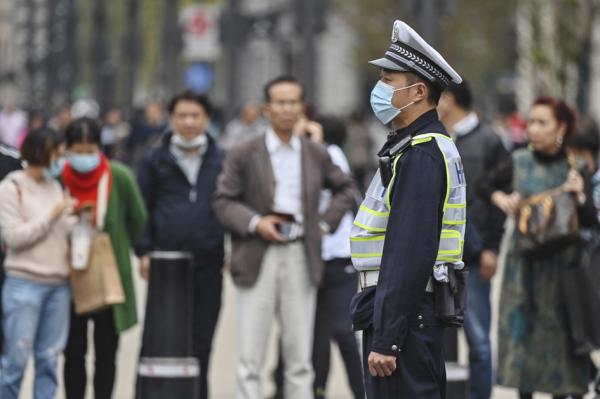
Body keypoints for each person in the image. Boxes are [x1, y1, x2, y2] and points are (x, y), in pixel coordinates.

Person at [214, 76, 357, 399]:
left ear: (302, 108)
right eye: (280, 102)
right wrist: (255, 223)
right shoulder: (244, 152)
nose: (287, 109)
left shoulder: (315, 152)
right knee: (251, 354)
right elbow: (223, 200)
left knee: (299, 357)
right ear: (266, 109)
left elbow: (346, 188)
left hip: (300, 255)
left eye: (293, 102)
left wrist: (322, 225)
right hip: (257, 252)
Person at [349, 20, 466, 399]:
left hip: (407, 320)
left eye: (388, 79)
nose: (379, 88)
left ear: (418, 91)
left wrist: (388, 339)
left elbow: (409, 254)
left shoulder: (421, 154)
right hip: (407, 315)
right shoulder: (414, 147)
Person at [482, 97, 596, 399]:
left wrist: (579, 195)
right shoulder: (518, 161)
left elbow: (588, 220)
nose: (532, 128)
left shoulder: (577, 166)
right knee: (526, 351)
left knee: (561, 348)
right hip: (525, 270)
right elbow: (484, 185)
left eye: (541, 122)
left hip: (563, 272)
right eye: (530, 121)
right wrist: (499, 198)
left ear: (561, 127)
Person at [135, 91, 225, 399]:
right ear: (171, 120)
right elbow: (140, 209)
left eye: (195, 116)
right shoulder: (154, 159)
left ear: (207, 120)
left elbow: (229, 205)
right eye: (182, 116)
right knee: (158, 336)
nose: (188, 122)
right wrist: (144, 251)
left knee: (202, 339)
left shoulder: (221, 159)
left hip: (208, 263)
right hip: (165, 264)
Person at [61, 118, 148, 399]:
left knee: (106, 352)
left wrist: (131, 248)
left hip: (109, 276)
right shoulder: (59, 178)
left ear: (100, 148)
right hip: (69, 276)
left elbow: (138, 218)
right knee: (73, 352)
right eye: (78, 149)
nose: (83, 156)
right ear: (67, 149)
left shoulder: (118, 175)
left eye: (90, 150)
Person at [437, 80, 509, 399]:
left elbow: (500, 199)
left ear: (449, 99)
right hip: (439, 255)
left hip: (474, 254)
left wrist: (492, 248)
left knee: (478, 340)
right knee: (436, 339)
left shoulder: (489, 141)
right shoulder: (438, 139)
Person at [0, 127, 75, 398]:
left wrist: (77, 220)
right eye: (57, 153)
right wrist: (52, 216)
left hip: (57, 285)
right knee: (14, 362)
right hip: (24, 286)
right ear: (41, 153)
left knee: (49, 360)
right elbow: (14, 237)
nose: (61, 159)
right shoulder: (12, 188)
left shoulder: (55, 187)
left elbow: (61, 233)